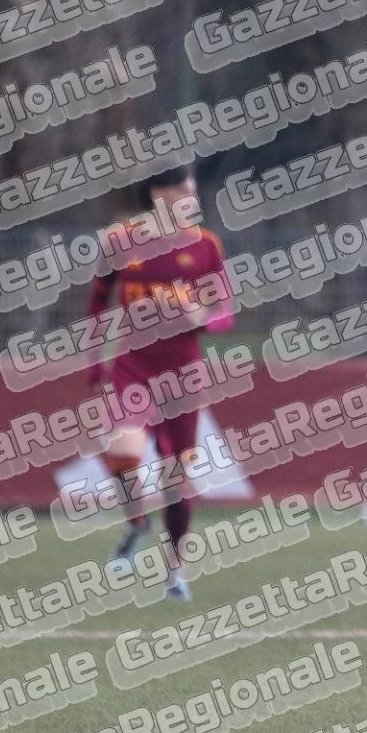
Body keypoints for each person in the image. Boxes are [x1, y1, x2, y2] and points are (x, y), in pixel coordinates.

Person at [87, 165, 234, 601]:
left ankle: (175, 572)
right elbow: (97, 302)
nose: (192, 195)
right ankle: (137, 523)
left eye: (193, 188)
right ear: (158, 193)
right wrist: (94, 365)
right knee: (122, 451)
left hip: (183, 375)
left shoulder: (205, 245)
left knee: (176, 480)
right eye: (184, 189)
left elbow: (225, 311)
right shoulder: (120, 242)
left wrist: (203, 317)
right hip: (133, 368)